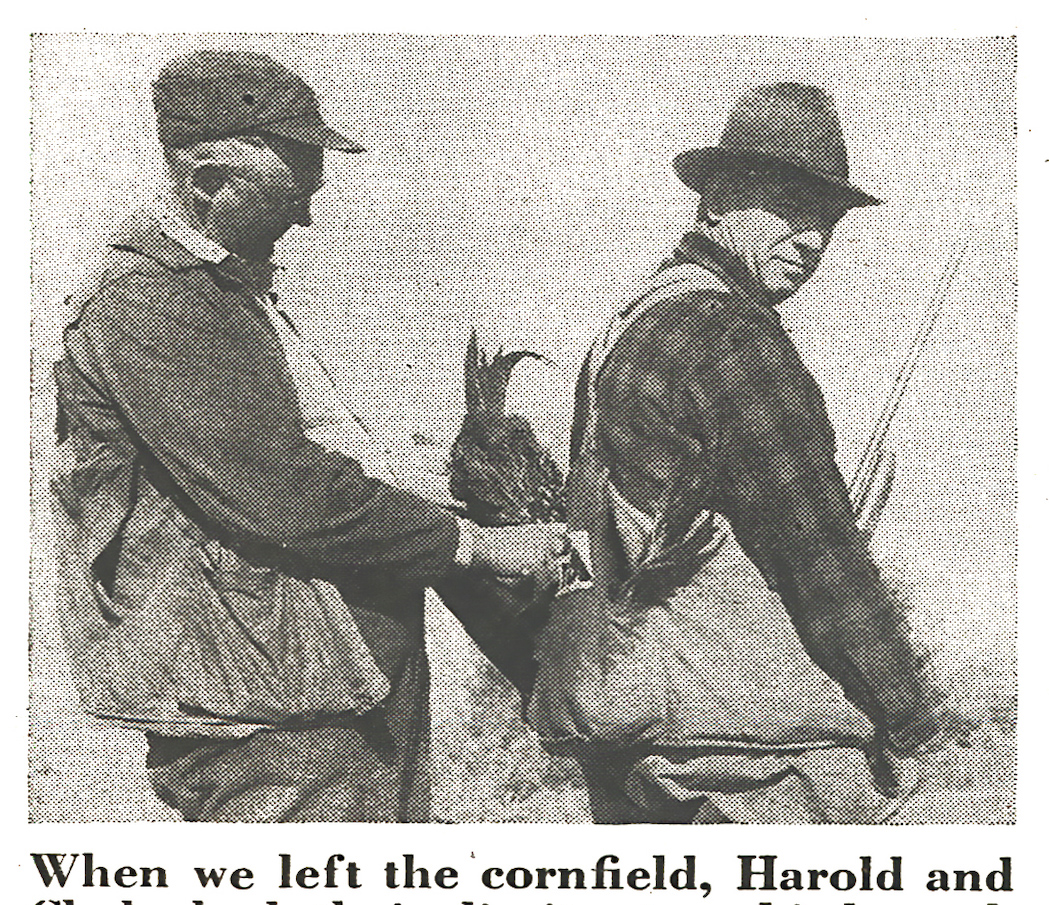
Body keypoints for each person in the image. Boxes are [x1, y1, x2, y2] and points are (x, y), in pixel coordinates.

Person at [49, 50, 566, 823]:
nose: (307, 216)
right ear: (206, 182)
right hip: (270, 710)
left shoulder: (219, 293)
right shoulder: (154, 306)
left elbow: (298, 468)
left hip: (318, 687)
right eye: (290, 193)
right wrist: (476, 547)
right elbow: (285, 494)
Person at [529, 83, 955, 824]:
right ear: (717, 200)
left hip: (637, 740)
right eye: (789, 210)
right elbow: (817, 552)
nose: (814, 239)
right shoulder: (732, 338)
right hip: (756, 757)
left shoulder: (624, 331)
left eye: (825, 219)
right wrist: (907, 717)